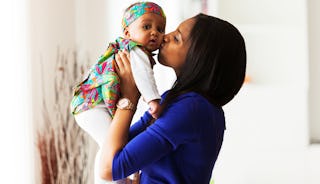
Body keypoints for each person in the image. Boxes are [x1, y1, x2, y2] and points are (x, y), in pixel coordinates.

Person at [99, 13, 247, 184]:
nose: (164, 37)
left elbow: (108, 168)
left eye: (177, 38)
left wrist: (129, 97)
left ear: (199, 57)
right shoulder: (179, 101)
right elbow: (119, 148)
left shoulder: (192, 109)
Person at [69, 2, 166, 183]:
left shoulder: (128, 49)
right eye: (146, 26)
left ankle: (126, 177)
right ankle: (128, 176)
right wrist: (153, 100)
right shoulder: (136, 50)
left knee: (107, 147)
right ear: (128, 33)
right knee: (112, 150)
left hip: (87, 106)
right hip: (91, 106)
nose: (154, 32)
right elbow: (144, 76)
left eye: (160, 29)